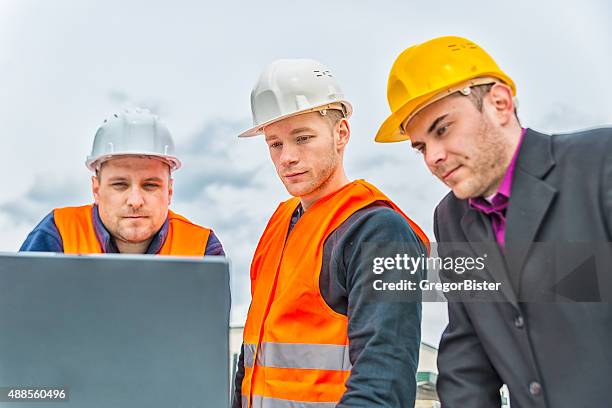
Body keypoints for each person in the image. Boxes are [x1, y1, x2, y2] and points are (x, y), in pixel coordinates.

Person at [376, 35, 612, 407]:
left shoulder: (600, 164)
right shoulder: (450, 218)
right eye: (421, 146)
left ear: (499, 104)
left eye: (442, 129)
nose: (433, 157)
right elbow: (467, 359)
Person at [233, 59, 430, 407]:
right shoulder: (278, 225)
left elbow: (383, 382)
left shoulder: (379, 232)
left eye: (303, 138)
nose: (287, 158)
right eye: (274, 144)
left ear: (341, 134)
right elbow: (250, 362)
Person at [21, 108, 224, 256]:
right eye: (120, 184)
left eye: (150, 185)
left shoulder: (200, 247)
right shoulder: (58, 233)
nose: (135, 201)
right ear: (96, 189)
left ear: (169, 191)